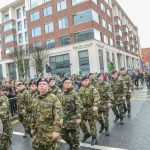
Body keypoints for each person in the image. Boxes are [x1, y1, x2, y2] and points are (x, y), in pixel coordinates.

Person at [31, 78, 63, 150]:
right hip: (38, 133)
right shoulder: (35, 99)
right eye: (39, 84)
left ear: (48, 86)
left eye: (44, 84)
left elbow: (58, 116)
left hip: (49, 133)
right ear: (37, 87)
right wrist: (32, 127)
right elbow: (33, 115)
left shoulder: (54, 98)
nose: (41, 86)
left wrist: (56, 131)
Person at [60, 78, 83, 150]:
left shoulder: (74, 93)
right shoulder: (61, 94)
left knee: (75, 138)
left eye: (69, 82)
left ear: (71, 84)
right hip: (64, 120)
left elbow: (79, 106)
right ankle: (70, 144)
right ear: (63, 84)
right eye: (66, 83)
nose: (67, 84)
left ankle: (75, 147)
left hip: (73, 119)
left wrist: (79, 117)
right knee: (63, 135)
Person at [79, 76, 99, 145]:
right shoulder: (81, 89)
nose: (86, 81)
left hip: (91, 108)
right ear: (82, 82)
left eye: (87, 80)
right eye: (84, 80)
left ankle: (94, 137)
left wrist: (95, 105)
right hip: (84, 109)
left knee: (92, 124)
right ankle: (86, 134)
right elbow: (78, 99)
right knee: (80, 122)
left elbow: (97, 97)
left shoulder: (92, 88)